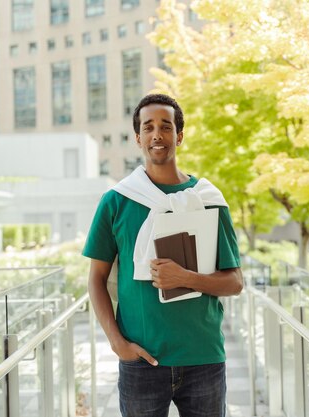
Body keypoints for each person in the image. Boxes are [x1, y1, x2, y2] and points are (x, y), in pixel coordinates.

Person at [83, 93, 243, 417]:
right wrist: (117, 343)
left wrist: (184, 278)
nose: (158, 134)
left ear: (179, 136)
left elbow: (235, 282)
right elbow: (96, 280)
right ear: (138, 138)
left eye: (166, 127)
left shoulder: (208, 199)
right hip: (141, 361)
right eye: (149, 127)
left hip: (204, 358)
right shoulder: (116, 202)